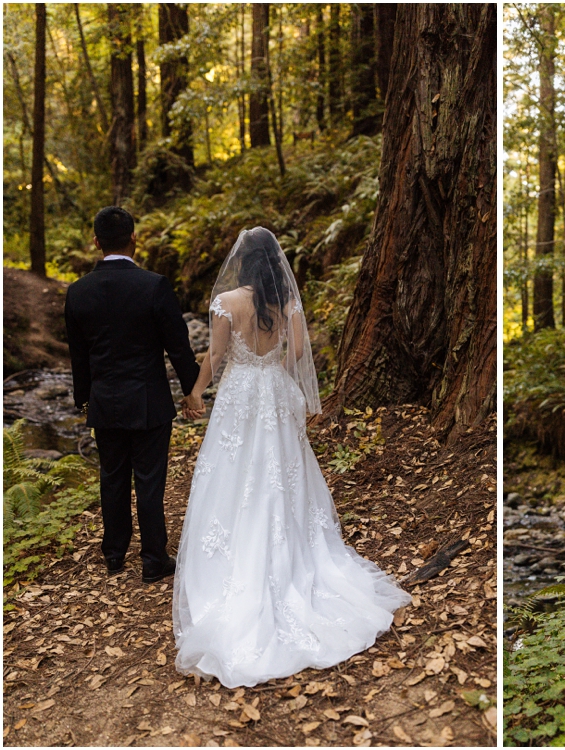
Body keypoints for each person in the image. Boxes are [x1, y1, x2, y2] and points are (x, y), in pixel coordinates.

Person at [172, 227, 410, 688]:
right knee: (281, 472)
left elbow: (215, 356)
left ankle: (236, 556)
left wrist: (196, 393)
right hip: (274, 392)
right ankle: (291, 551)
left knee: (234, 471)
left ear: (242, 263)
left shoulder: (227, 302)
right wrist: (273, 372)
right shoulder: (286, 304)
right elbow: (298, 351)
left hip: (240, 393)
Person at [65, 206, 200, 583]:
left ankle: (114, 554)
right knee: (150, 480)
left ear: (96, 242)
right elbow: (178, 346)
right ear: (134, 238)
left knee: (112, 477)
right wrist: (192, 391)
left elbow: (79, 355)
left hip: (105, 401)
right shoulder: (154, 285)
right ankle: (154, 559)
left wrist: (83, 399)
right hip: (148, 400)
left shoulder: (77, 292)